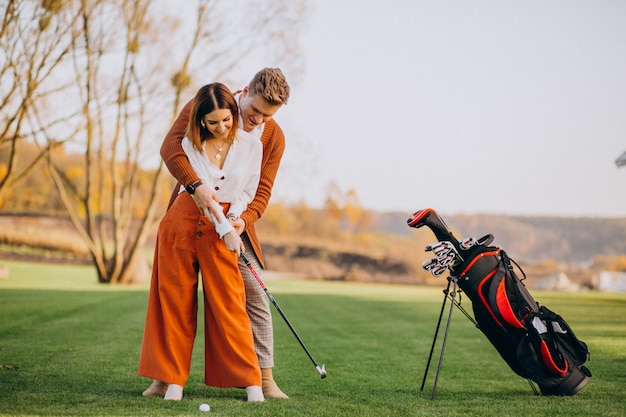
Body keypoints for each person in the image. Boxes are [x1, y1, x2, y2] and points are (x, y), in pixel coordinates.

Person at [142, 68, 291, 399]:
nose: (257, 120)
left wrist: (241, 220)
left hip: (234, 225)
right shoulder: (209, 104)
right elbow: (171, 147)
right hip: (189, 213)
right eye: (254, 112)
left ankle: (263, 378)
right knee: (173, 296)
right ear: (246, 91)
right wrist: (195, 188)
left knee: (253, 294)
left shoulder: (273, 137)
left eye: (267, 116)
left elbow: (261, 190)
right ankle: (164, 379)